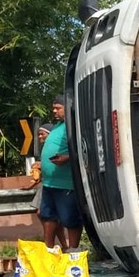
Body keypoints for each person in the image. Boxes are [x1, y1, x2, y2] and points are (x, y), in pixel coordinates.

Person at [38, 95, 82, 250]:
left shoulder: (74, 126)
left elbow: (84, 148)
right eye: (53, 108)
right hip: (50, 183)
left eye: (58, 108)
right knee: (47, 215)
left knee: (70, 218)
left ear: (67, 108)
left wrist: (67, 158)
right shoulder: (58, 126)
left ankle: (73, 251)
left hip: (66, 183)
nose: (54, 111)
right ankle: (48, 250)